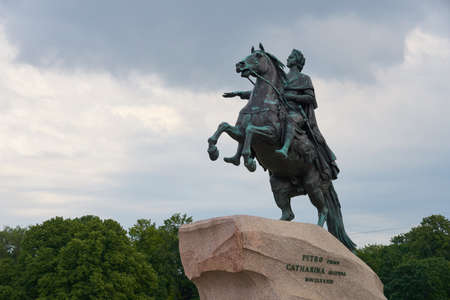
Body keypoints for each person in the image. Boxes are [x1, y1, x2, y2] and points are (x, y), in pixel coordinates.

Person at [280, 49, 339, 180]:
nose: (288, 59)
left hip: (297, 114)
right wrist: (242, 94)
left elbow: (310, 98)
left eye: (291, 57)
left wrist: (291, 97)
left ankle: (286, 149)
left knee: (293, 122)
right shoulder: (282, 77)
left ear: (297, 61)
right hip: (282, 113)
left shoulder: (304, 79)